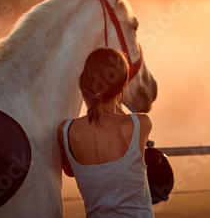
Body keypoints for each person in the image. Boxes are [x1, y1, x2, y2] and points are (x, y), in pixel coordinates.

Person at [58, 47, 154, 217]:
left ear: (83, 84)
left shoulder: (66, 131)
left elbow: (71, 172)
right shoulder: (140, 124)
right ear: (123, 85)